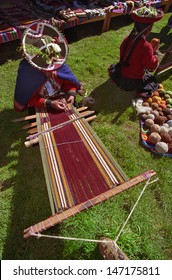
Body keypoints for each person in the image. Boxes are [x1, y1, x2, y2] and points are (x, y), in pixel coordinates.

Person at [14, 22, 82, 112]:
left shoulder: (56, 60)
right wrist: (50, 103)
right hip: (40, 103)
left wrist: (71, 94)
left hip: (61, 98)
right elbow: (28, 96)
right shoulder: (27, 70)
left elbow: (69, 81)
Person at [108, 7, 164, 97]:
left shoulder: (127, 39)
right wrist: (155, 53)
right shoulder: (146, 46)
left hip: (121, 74)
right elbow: (151, 66)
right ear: (148, 28)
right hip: (133, 81)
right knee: (151, 81)